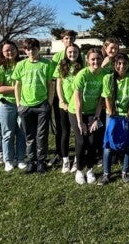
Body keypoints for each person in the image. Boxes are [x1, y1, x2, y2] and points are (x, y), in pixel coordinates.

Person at [12, 38, 54, 174]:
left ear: (39, 49)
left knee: (41, 135)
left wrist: (49, 103)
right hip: (25, 106)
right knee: (29, 136)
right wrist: (19, 104)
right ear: (25, 50)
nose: (31, 52)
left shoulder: (47, 64)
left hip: (42, 105)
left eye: (34, 49)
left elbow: (50, 84)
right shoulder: (21, 65)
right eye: (28, 49)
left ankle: (41, 161)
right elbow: (17, 85)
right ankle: (32, 161)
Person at [100, 53, 129, 184]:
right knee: (108, 143)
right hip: (112, 114)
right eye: (119, 63)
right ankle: (106, 173)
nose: (122, 66)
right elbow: (107, 96)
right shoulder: (108, 78)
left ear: (128, 64)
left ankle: (125, 170)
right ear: (114, 64)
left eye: (124, 63)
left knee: (128, 143)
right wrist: (111, 112)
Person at [70, 48, 106, 185]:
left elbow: (101, 100)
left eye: (98, 59)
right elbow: (77, 101)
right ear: (87, 60)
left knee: (92, 142)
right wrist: (80, 122)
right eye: (93, 59)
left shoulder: (104, 75)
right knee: (81, 141)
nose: (95, 61)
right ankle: (79, 170)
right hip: (76, 112)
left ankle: (90, 169)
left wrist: (96, 118)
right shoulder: (82, 75)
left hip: (93, 112)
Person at [0, 40, 26, 172]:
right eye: (6, 50)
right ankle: (8, 160)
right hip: (7, 105)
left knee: (22, 132)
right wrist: (16, 87)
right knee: (8, 133)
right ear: (2, 52)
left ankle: (21, 159)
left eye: (12, 49)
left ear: (17, 50)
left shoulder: (22, 64)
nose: (10, 52)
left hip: (23, 103)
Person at [49, 30, 78, 168]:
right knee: (61, 129)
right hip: (61, 99)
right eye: (67, 38)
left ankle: (79, 156)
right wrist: (60, 99)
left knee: (78, 129)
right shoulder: (57, 58)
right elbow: (56, 80)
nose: (69, 40)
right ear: (62, 40)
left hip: (77, 101)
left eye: (72, 38)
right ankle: (60, 154)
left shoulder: (79, 55)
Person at [54, 44, 84, 173]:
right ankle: (65, 160)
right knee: (65, 133)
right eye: (70, 52)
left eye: (75, 52)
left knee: (78, 134)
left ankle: (77, 160)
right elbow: (58, 85)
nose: (72, 54)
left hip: (77, 106)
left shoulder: (82, 67)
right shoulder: (61, 66)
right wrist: (61, 101)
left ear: (79, 53)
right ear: (66, 53)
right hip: (64, 105)